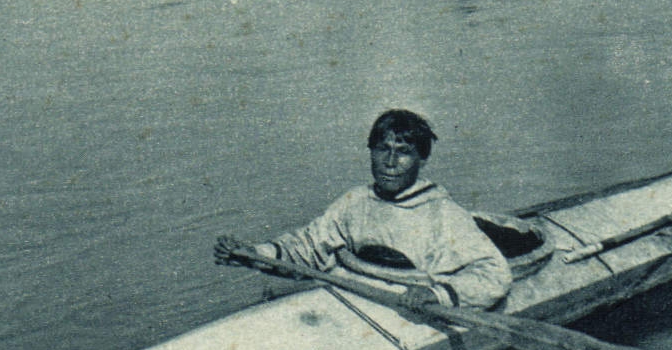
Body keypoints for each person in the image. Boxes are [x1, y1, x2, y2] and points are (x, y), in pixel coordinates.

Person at [214, 109, 512, 309]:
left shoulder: (445, 216)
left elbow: (495, 274)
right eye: (383, 149)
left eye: (404, 152)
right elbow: (307, 246)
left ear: (422, 159)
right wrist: (255, 254)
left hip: (406, 304)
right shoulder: (355, 202)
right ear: (371, 151)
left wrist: (438, 295)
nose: (390, 162)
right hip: (347, 291)